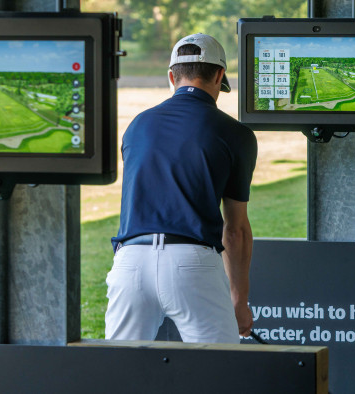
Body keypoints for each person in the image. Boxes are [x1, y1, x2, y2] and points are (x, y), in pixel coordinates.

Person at [106, 33, 258, 343]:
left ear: (172, 77)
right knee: (220, 374)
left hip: (130, 262)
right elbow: (236, 230)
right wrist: (239, 300)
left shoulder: (138, 125)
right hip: (192, 263)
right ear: (219, 75)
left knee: (119, 374)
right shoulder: (237, 134)